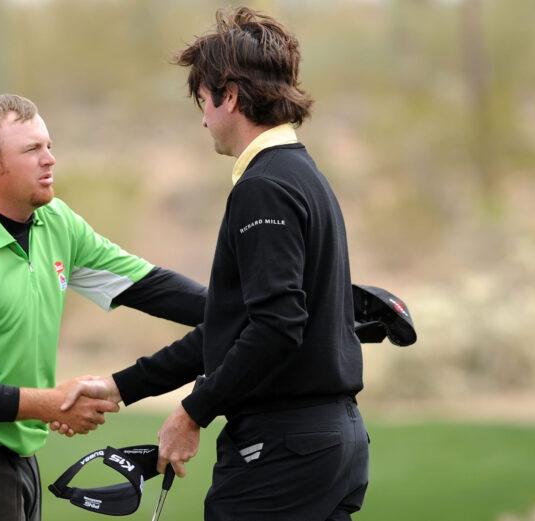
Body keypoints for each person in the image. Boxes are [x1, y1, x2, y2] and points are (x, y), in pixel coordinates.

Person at [60, 7, 369, 520]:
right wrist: (123, 386)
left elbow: (276, 327)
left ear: (229, 96)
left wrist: (191, 411)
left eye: (203, 101)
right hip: (331, 445)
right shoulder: (302, 173)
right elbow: (235, 327)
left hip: (281, 454)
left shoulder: (263, 188)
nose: (203, 119)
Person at [0, 94, 207, 521]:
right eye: (32, 150)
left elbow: (146, 286)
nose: (50, 159)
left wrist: (240, 310)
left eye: (48, 146)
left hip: (16, 456)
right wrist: (51, 404)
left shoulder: (56, 222)